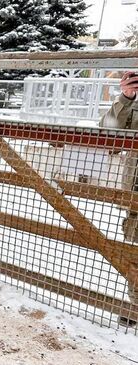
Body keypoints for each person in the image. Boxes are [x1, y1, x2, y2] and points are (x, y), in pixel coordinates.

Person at [100, 71, 138, 327]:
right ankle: (135, 306)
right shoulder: (132, 103)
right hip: (135, 190)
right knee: (134, 248)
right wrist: (125, 97)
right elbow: (107, 131)